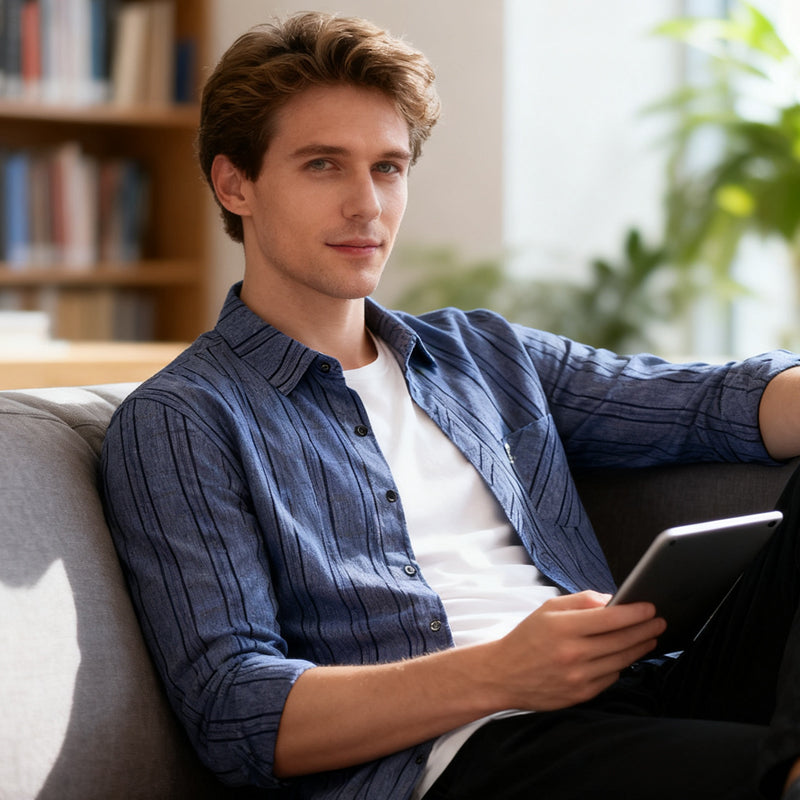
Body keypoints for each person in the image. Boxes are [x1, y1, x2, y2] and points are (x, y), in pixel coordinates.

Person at [100, 11, 800, 799]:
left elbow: (711, 402)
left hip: (636, 691)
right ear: (236, 184)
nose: (367, 205)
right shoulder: (185, 420)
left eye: (388, 167)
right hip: (466, 754)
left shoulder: (483, 353)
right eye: (324, 165)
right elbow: (236, 715)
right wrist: (501, 672)